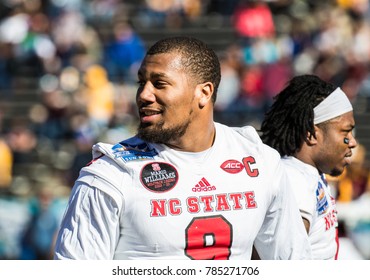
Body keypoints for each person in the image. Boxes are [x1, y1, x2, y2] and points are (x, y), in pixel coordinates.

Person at [54, 36, 311, 260]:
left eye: (159, 83)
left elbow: (292, 261)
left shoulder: (259, 160)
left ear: (204, 93)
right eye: (141, 83)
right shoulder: (111, 173)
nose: (144, 94)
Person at [259, 74, 357, 260]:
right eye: (346, 131)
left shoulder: (309, 174)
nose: (351, 142)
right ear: (312, 134)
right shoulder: (296, 180)